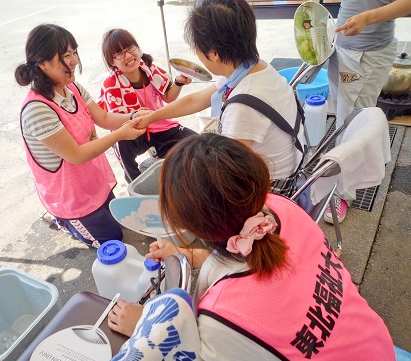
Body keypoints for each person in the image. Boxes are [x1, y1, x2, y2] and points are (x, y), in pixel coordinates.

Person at [107, 133, 397, 361]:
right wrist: (183, 252)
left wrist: (147, 328)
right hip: (376, 352)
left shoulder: (223, 317)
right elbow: (247, 262)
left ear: (187, 224)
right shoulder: (277, 210)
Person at [137, 0, 306, 192]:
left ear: (214, 53)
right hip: (290, 164)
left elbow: (229, 174)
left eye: (197, 49)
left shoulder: (243, 106)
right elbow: (196, 100)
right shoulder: (251, 68)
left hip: (273, 188)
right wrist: (151, 116)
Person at [15, 24, 146, 248]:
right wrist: (121, 134)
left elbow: (103, 117)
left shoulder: (72, 87)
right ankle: (63, 220)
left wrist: (132, 115)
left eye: (74, 52)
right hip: (70, 196)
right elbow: (75, 155)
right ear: (43, 63)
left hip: (89, 181)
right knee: (113, 241)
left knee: (117, 221)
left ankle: (79, 220)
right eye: (66, 55)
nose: (74, 60)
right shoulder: (37, 109)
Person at [326, 0, 411, 224]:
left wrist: (368, 17)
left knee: (353, 124)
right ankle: (338, 177)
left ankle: (343, 192)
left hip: (366, 53)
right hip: (342, 45)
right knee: (342, 119)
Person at [97, 28, 197, 183]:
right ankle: (136, 187)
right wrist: (134, 118)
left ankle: (165, 157)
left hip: (159, 124)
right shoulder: (111, 84)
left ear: (138, 48)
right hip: (133, 131)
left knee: (195, 142)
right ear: (112, 61)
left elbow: (168, 97)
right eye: (120, 53)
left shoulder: (150, 68)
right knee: (120, 143)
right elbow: (113, 120)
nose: (128, 56)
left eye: (130, 48)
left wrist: (178, 82)